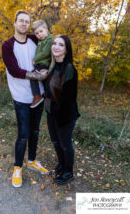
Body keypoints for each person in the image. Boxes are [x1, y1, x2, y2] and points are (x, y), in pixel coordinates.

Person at [1, 10, 48, 188]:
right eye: (20, 21)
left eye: (27, 22)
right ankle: (18, 167)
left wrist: (48, 71)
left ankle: (32, 160)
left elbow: (50, 45)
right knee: (23, 134)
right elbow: (14, 71)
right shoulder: (7, 45)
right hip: (21, 96)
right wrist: (37, 76)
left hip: (39, 95)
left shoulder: (34, 39)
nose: (23, 24)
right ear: (14, 23)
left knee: (35, 131)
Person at [44, 34, 80, 185]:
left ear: (66, 50)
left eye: (61, 45)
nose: (56, 47)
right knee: (55, 142)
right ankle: (61, 164)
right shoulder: (51, 65)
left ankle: (68, 171)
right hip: (51, 112)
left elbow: (70, 98)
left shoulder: (69, 68)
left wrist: (59, 117)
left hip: (64, 115)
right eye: (54, 43)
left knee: (65, 144)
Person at [30, 20, 53, 108]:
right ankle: (47, 99)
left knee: (33, 76)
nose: (39, 34)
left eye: (41, 31)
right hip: (39, 65)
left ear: (46, 30)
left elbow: (45, 53)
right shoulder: (40, 41)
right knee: (45, 85)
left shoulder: (49, 39)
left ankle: (37, 96)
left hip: (43, 65)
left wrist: (35, 59)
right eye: (37, 33)